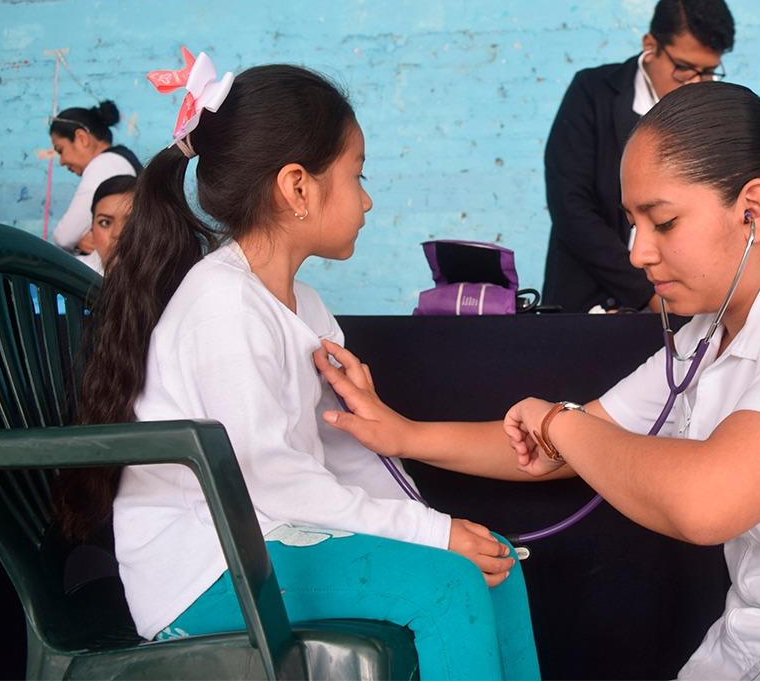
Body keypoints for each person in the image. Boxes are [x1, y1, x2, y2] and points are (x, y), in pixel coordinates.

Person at [317, 82, 760, 680]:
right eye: (631, 223)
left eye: (663, 220)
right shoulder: (705, 341)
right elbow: (573, 442)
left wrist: (562, 423)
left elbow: (707, 498)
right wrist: (403, 432)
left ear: (754, 209)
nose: (637, 252)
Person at [52, 58, 538, 681]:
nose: (366, 199)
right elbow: (273, 483)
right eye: (357, 176)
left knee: (494, 565)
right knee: (446, 586)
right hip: (204, 569)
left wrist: (441, 531)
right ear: (298, 187)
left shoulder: (304, 307)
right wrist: (433, 536)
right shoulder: (223, 306)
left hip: (269, 540)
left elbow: (344, 459)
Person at [542, 0, 735, 312]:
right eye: (684, 68)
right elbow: (569, 205)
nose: (695, 83)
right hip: (590, 302)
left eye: (708, 72)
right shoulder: (592, 92)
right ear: (651, 45)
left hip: (685, 305)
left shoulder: (716, 111)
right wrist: (646, 293)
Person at [48, 101, 144, 254]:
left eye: (61, 150)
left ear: (81, 137)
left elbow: (64, 237)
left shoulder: (104, 164)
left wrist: (77, 240)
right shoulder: (120, 159)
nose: (61, 161)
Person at [77, 174, 136, 274]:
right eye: (105, 223)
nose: (117, 234)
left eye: (130, 222)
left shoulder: (166, 279)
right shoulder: (70, 273)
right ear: (92, 229)